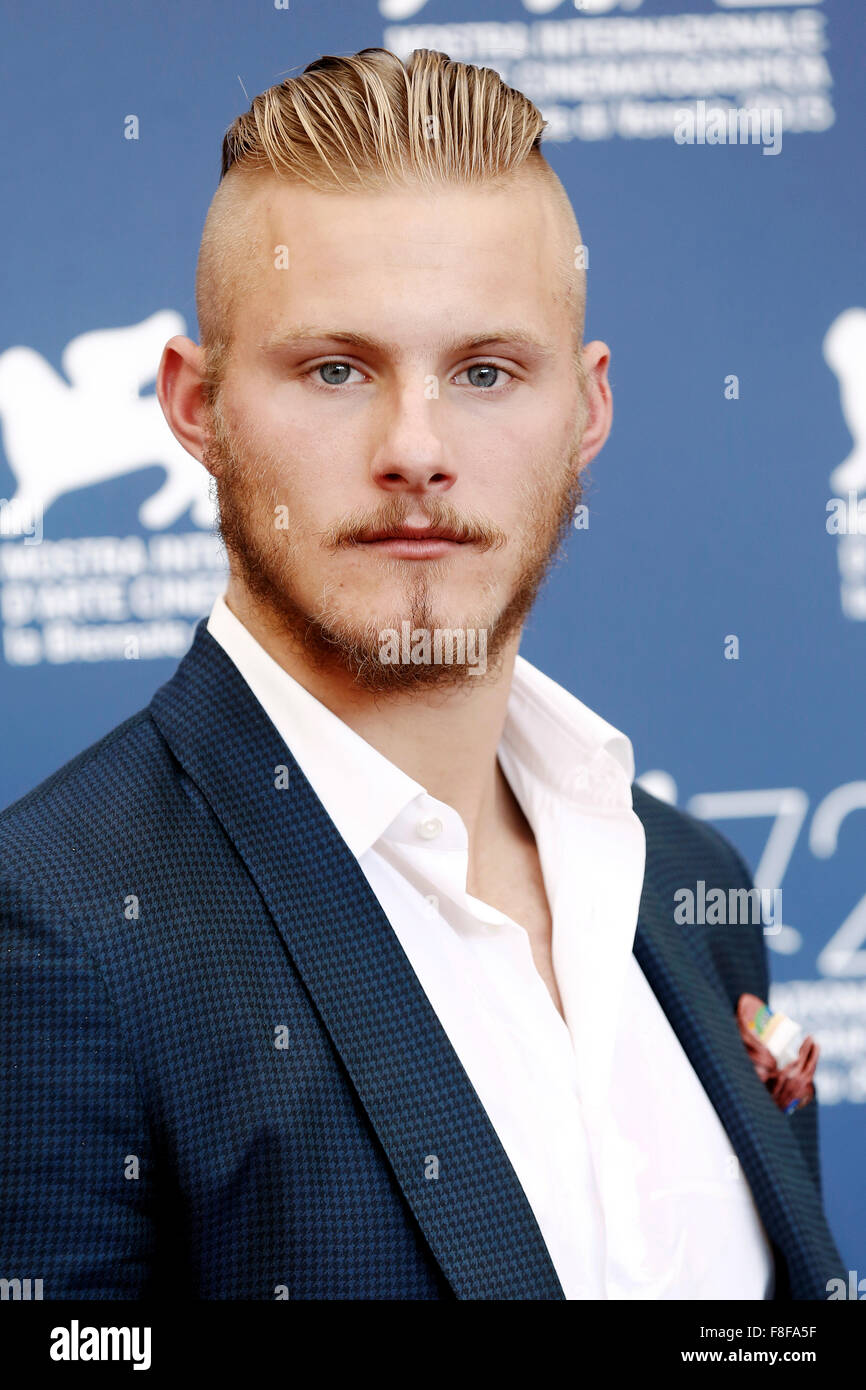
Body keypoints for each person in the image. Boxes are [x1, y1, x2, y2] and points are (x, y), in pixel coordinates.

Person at [0, 47, 843, 1300]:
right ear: (196, 407)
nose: (416, 448)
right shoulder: (55, 928)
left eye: (485, 372)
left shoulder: (685, 881)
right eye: (334, 369)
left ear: (586, 410)